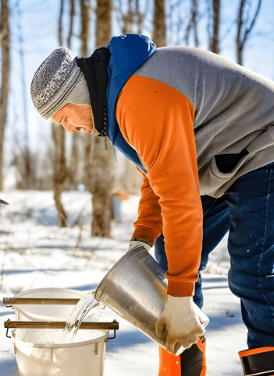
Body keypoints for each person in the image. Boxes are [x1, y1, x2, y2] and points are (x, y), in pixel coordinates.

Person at [30, 34, 274, 376]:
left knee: (253, 274)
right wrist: (142, 236)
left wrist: (180, 295)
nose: (68, 129)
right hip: (220, 159)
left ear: (76, 96)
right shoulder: (118, 100)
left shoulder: (139, 98)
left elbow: (178, 199)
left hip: (263, 144)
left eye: (63, 118)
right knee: (170, 261)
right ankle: (182, 369)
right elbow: (157, 175)